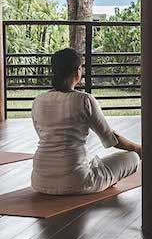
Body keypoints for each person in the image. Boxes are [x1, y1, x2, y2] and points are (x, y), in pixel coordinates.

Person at [31, 47, 141, 195]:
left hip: (39, 181)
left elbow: (43, 135)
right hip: (77, 182)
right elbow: (110, 139)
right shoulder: (84, 100)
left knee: (93, 161)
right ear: (78, 71)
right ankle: (105, 179)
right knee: (132, 157)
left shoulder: (38, 101)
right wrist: (140, 150)